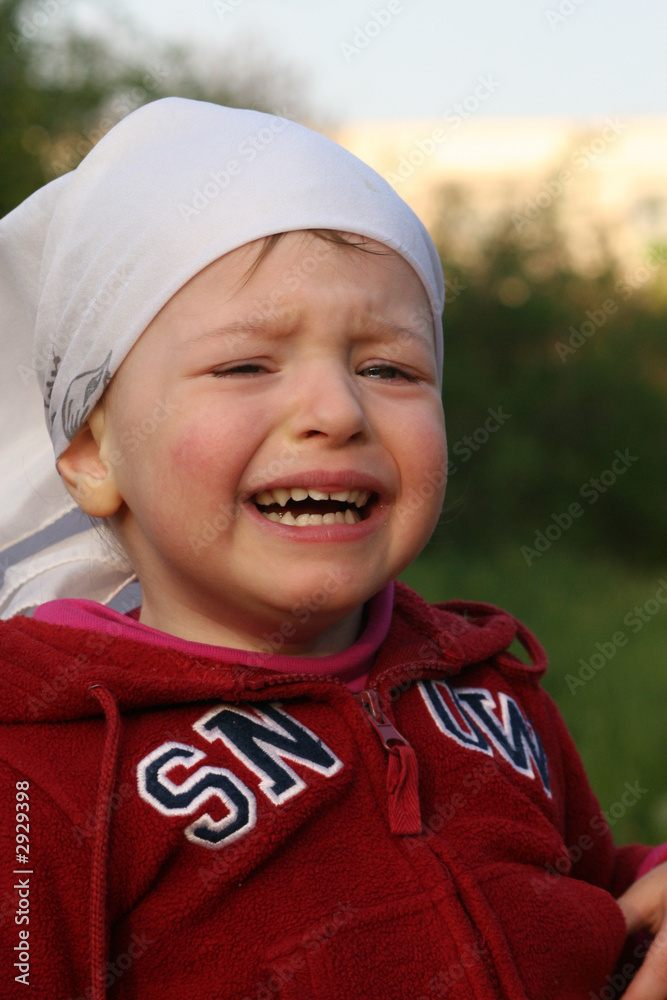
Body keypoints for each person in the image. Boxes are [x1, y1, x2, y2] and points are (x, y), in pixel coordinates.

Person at [0, 97, 665, 1000]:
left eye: (388, 368)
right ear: (91, 455)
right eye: (246, 365)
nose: (336, 411)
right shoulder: (41, 776)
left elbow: (580, 889)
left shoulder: (490, 693)